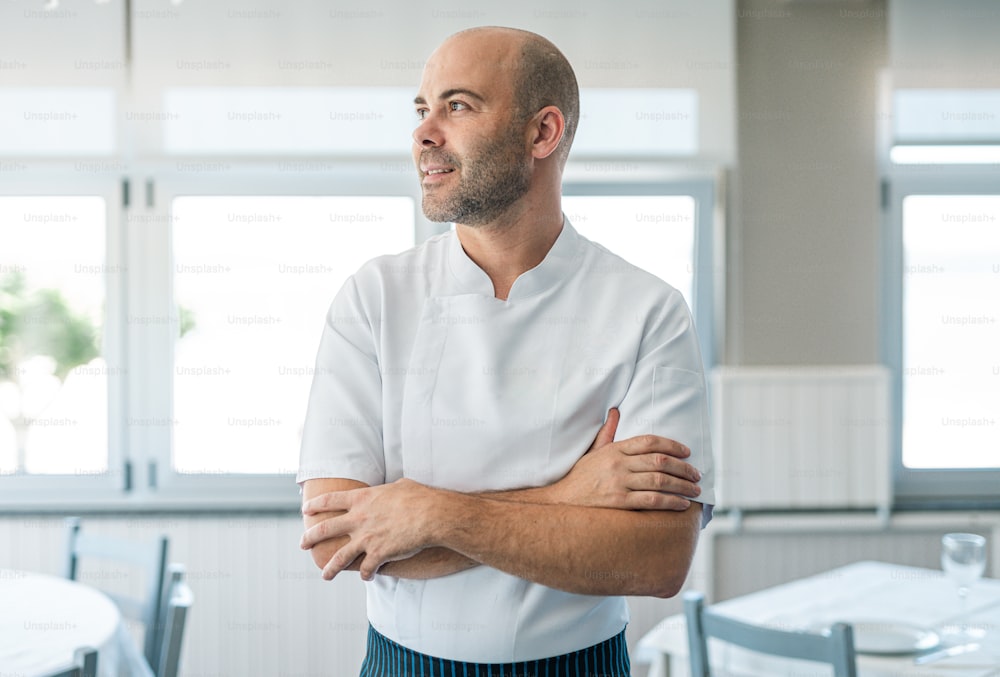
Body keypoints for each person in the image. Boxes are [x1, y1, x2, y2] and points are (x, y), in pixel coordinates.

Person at [297, 25, 715, 676]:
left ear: (542, 133)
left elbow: (657, 560)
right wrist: (572, 495)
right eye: (421, 109)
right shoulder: (373, 298)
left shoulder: (649, 312)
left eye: (457, 106)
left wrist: (427, 512)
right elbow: (342, 539)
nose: (424, 133)